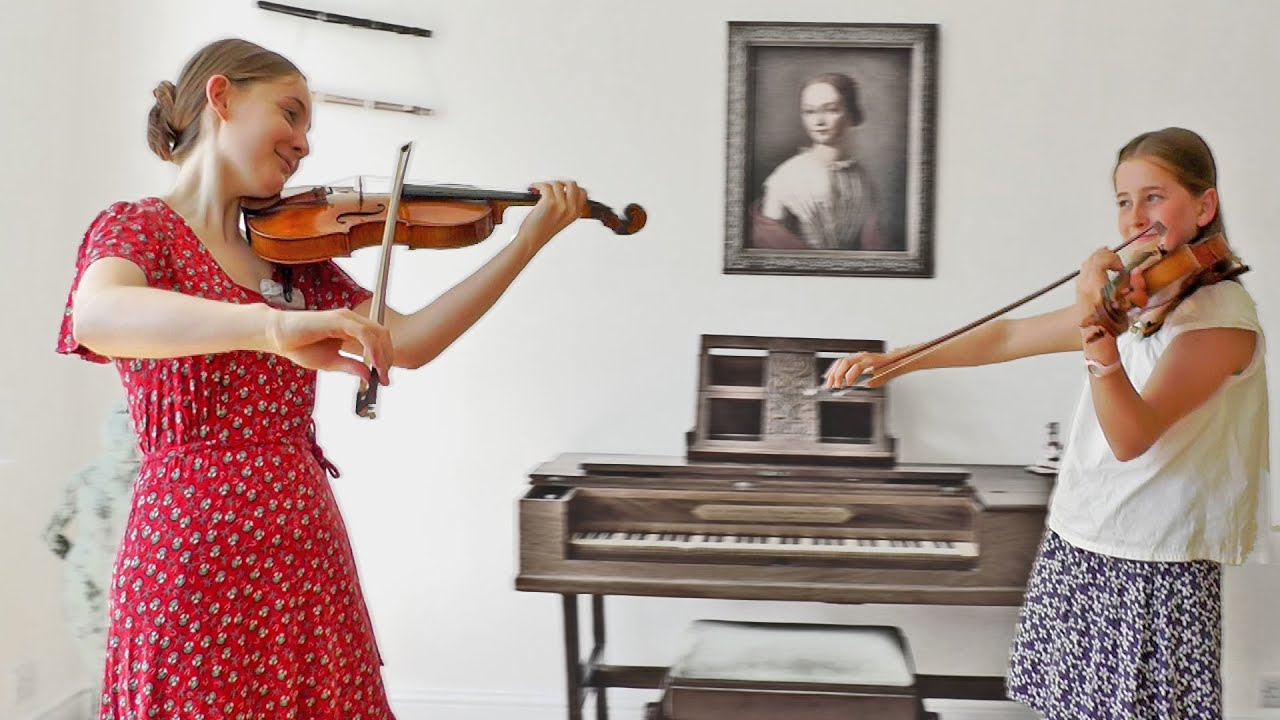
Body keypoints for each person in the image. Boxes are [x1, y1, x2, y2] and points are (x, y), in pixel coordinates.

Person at [58, 37, 591, 720]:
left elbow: (407, 343)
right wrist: (270, 328)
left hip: (304, 553)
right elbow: (97, 315)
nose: (304, 143)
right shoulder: (139, 232)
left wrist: (525, 244)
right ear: (221, 97)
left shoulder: (296, 261)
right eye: (291, 113)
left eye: (309, 126)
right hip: (186, 559)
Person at [824, 126, 1268, 718]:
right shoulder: (1143, 300)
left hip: (1153, 566)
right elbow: (1010, 335)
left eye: (1154, 197)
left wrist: (1095, 330)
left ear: (1204, 205)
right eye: (1123, 201)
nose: (1135, 217)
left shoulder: (1219, 318)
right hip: (1085, 541)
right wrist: (899, 360)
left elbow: (1130, 436)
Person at [751, 71, 886, 251]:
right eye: (809, 111)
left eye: (831, 110)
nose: (818, 121)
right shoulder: (786, 177)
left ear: (851, 113)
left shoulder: (862, 177)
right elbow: (768, 245)